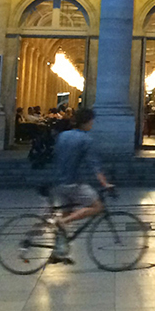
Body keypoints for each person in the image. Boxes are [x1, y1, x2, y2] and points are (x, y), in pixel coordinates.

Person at [48, 107, 113, 264]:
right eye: (92, 121)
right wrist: (105, 183)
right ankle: (62, 224)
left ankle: (58, 252)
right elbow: (94, 165)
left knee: (66, 213)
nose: (92, 124)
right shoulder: (86, 139)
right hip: (73, 182)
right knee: (97, 206)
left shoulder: (63, 136)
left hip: (57, 182)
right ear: (87, 122)